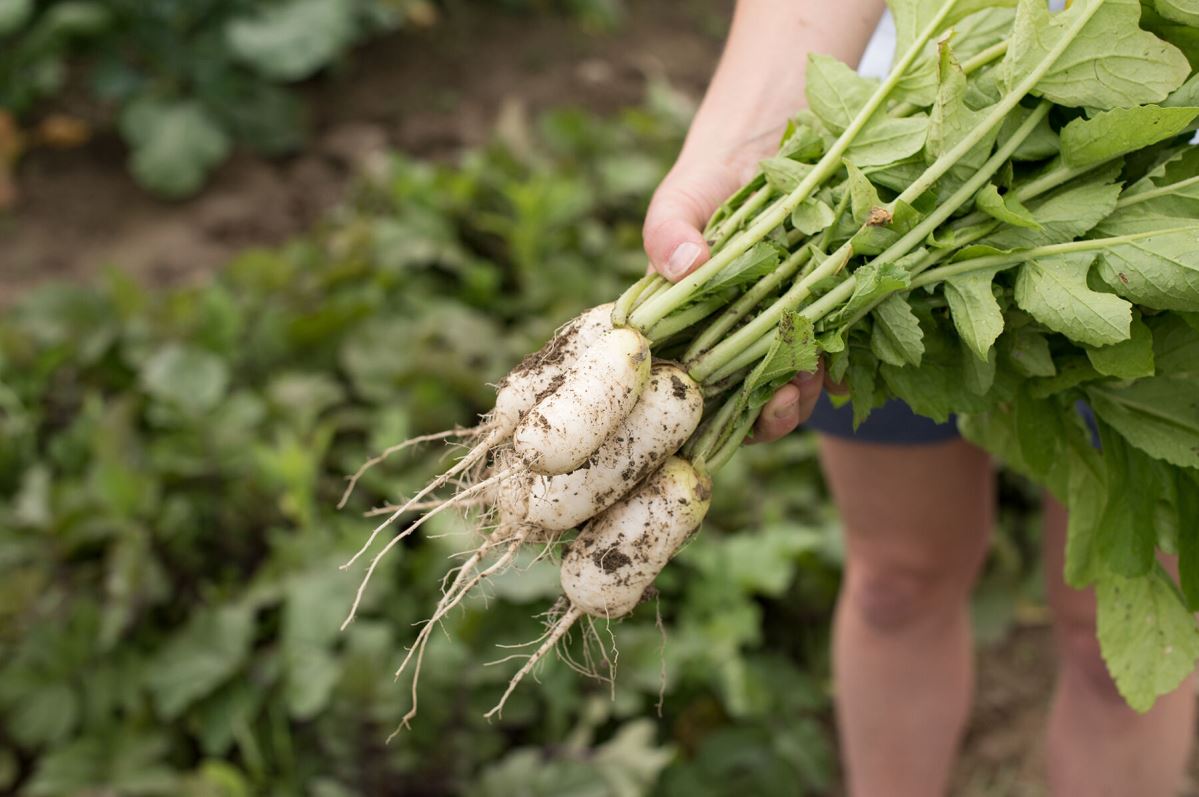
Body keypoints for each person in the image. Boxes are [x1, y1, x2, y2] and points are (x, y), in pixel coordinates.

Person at [641, 1, 1197, 795]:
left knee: (1108, 649)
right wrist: (739, 143)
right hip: (888, 167)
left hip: (1157, 202)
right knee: (895, 584)